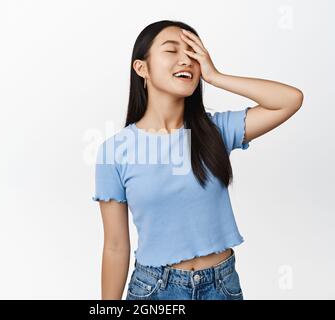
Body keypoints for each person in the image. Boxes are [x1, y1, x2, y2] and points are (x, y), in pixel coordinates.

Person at [92, 20, 303, 300]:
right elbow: (116, 246)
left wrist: (216, 76)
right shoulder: (114, 151)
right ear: (142, 68)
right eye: (172, 51)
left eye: (193, 53)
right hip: (154, 290)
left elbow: (290, 99)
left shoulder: (217, 131)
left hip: (222, 286)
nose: (186, 60)